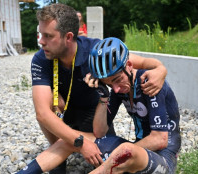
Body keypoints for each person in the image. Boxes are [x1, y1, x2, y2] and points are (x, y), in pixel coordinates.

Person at [18, 3, 167, 173]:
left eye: (47, 36)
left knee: (110, 164)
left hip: (93, 114)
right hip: (63, 112)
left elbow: (136, 62)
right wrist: (80, 142)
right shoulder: (41, 58)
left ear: (68, 37)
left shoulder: (95, 51)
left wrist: (161, 69)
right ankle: (57, 161)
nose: (41, 41)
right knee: (47, 109)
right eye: (40, 34)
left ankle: (65, 147)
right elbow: (42, 114)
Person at [85, 37, 181, 173]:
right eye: (109, 84)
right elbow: (99, 132)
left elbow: (160, 139)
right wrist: (104, 96)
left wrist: (120, 154)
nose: (116, 89)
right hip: (139, 150)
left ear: (129, 66)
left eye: (117, 80)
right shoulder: (120, 89)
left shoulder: (148, 82)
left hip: (163, 157)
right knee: (83, 140)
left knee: (125, 152)